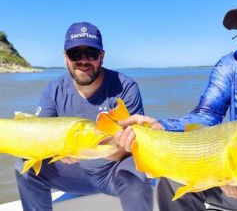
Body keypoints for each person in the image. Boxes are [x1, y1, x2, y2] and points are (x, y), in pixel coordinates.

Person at [115, 0, 237, 211]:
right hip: (234, 172)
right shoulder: (229, 67)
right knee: (172, 179)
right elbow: (206, 116)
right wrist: (160, 127)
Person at [15, 22, 153, 211]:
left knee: (136, 171)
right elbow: (40, 137)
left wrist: (88, 149)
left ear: (102, 56)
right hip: (71, 174)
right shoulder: (53, 90)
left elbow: (133, 149)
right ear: (65, 57)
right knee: (25, 164)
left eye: (91, 53)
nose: (83, 61)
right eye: (75, 54)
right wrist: (59, 150)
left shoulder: (125, 88)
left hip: (112, 172)